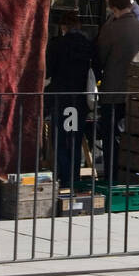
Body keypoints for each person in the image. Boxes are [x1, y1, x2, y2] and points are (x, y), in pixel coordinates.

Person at [94, 0, 139, 182]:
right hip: (137, 93)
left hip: (113, 92)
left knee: (111, 139)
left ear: (114, 8)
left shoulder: (110, 29)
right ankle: (131, 179)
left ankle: (112, 178)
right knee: (134, 138)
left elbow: (100, 58)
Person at [45, 11, 95, 189]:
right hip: (80, 99)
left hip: (62, 97)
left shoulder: (57, 44)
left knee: (60, 139)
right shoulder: (88, 45)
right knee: (74, 138)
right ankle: (73, 177)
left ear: (63, 27)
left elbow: (49, 71)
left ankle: (64, 178)